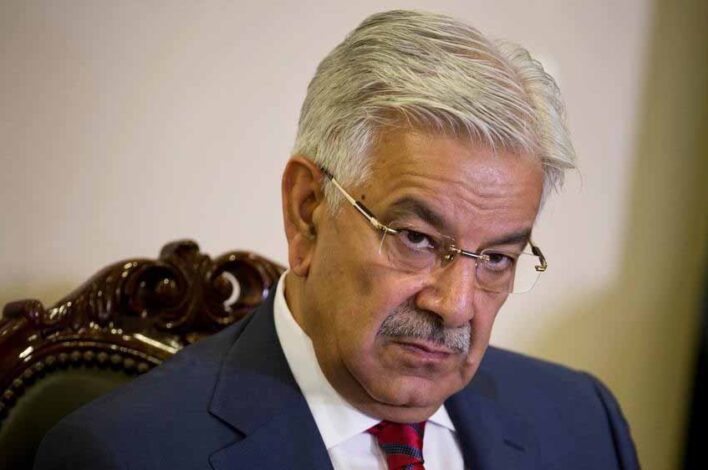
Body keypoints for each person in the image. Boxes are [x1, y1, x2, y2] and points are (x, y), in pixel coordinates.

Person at [34, 10, 639, 470]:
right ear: (308, 212)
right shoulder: (122, 454)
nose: (455, 306)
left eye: (497, 259)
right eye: (416, 238)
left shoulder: (583, 421)